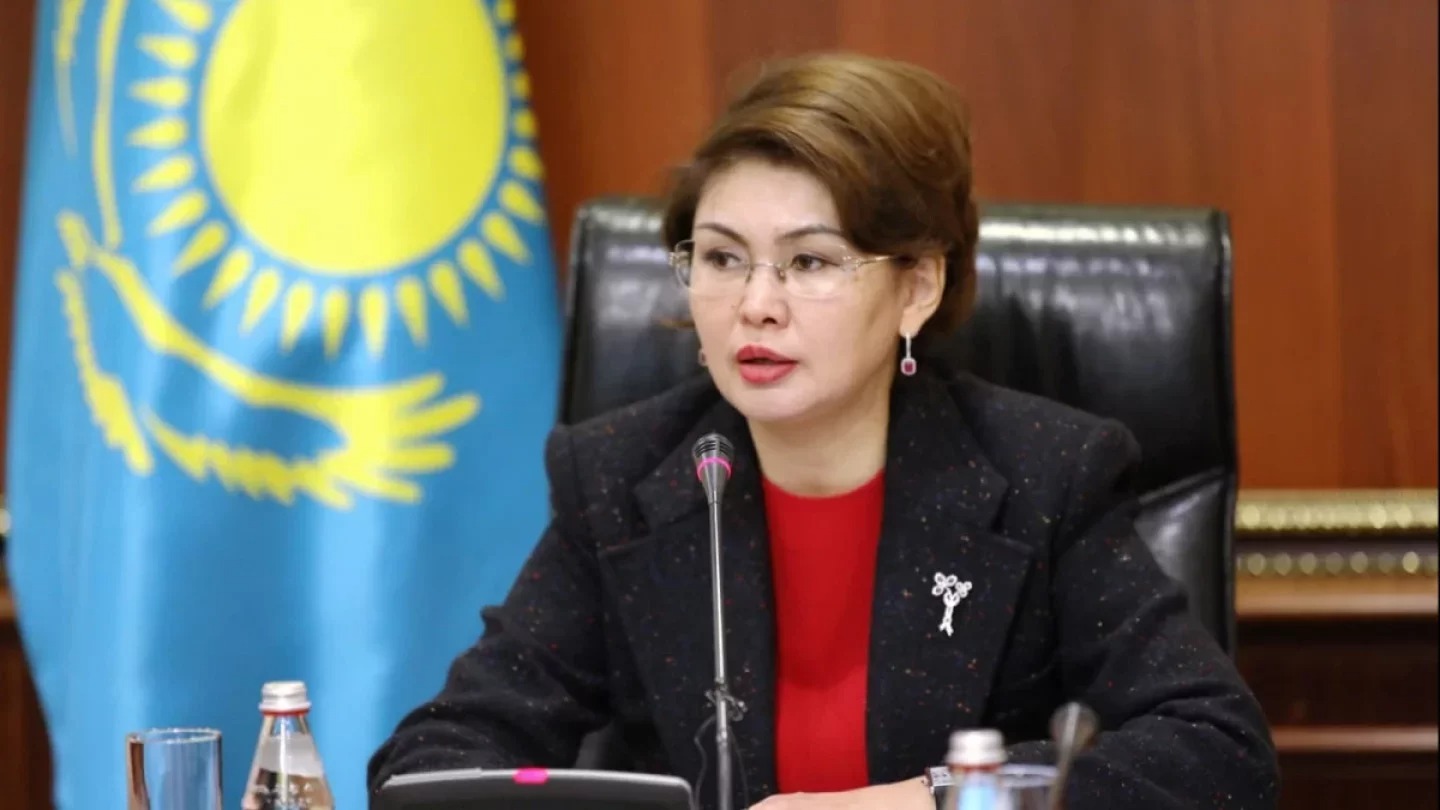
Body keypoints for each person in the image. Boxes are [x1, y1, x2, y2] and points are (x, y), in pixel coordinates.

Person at [368, 52, 1278, 809]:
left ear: (916, 286)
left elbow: (1217, 751)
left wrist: (924, 801)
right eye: (722, 258)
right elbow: (435, 761)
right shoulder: (621, 479)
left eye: (809, 262)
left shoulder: (1045, 476)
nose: (755, 305)